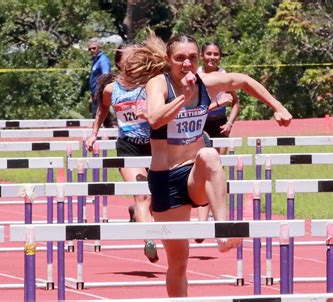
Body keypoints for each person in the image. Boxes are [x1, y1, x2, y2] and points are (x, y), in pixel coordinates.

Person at [132, 33, 291, 297]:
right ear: (168, 60)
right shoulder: (158, 84)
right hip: (165, 180)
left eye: (192, 58)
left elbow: (243, 80)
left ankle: (223, 231)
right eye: (180, 58)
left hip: (193, 173)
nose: (187, 63)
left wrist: (277, 106)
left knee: (210, 155)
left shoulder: (205, 81)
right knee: (179, 261)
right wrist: (184, 96)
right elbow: (156, 119)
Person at [86, 41, 167, 263]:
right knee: (143, 194)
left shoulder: (153, 84)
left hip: (155, 144)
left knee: (158, 200)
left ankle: (136, 213)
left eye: (137, 58)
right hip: (128, 146)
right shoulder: (112, 89)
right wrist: (94, 133)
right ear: (120, 63)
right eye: (128, 59)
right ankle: (149, 240)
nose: (133, 63)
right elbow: (103, 108)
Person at [196, 41, 241, 226]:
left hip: (220, 125)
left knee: (217, 170)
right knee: (204, 168)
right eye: (209, 54)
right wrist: (218, 104)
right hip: (201, 124)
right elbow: (195, 108)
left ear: (220, 57)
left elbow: (236, 103)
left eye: (216, 54)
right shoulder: (196, 76)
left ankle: (216, 214)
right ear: (202, 56)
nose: (212, 57)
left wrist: (230, 122)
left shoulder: (225, 76)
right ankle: (201, 220)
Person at [88, 38, 112, 119]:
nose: (91, 50)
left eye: (94, 48)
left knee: (100, 119)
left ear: (99, 48)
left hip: (100, 94)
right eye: (89, 49)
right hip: (95, 94)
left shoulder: (103, 60)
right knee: (97, 118)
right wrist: (92, 95)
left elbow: (106, 77)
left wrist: (99, 92)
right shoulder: (96, 60)